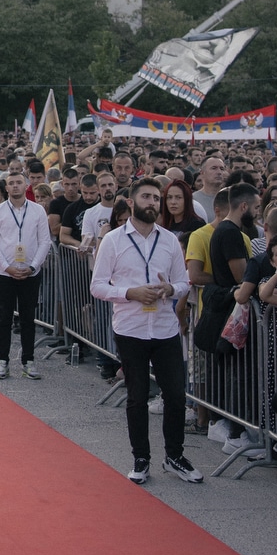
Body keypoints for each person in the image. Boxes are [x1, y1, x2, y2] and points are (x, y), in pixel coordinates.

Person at [90, 179, 200, 483]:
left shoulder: (168, 240)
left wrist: (169, 288)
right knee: (137, 397)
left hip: (165, 328)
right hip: (131, 328)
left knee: (176, 396)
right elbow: (97, 286)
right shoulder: (113, 240)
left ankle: (175, 456)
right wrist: (131, 293)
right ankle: (141, 458)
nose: (153, 202)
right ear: (132, 202)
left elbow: (183, 282)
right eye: (147, 197)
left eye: (156, 197)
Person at [0, 172, 52, 380]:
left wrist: (32, 267)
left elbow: (44, 242)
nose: (15, 186)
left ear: (26, 186)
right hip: (5, 273)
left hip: (30, 274)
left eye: (18, 183)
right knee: (3, 319)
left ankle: (28, 361)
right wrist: (7, 267)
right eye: (11, 183)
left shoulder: (38, 210)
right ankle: (2, 361)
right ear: (6, 187)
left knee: (27, 319)